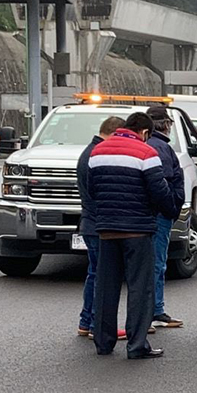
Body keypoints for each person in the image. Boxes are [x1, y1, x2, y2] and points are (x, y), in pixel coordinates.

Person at [87, 112, 178, 360]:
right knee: (140, 287)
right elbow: (159, 191)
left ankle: (104, 343)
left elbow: (92, 188)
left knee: (106, 287)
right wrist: (170, 211)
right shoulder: (146, 153)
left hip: (106, 230)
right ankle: (137, 345)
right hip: (138, 230)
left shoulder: (98, 152)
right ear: (145, 132)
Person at [76, 115, 126, 339]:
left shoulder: (89, 152)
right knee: (103, 276)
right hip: (99, 223)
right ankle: (97, 324)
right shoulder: (97, 155)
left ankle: (87, 321)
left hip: (90, 221)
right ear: (115, 133)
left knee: (94, 274)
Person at [145, 105, 186, 329]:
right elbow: (162, 182)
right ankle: (152, 312)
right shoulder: (160, 147)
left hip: (155, 214)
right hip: (159, 215)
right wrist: (171, 208)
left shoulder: (154, 145)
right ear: (166, 125)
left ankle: (156, 310)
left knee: (154, 264)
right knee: (156, 264)